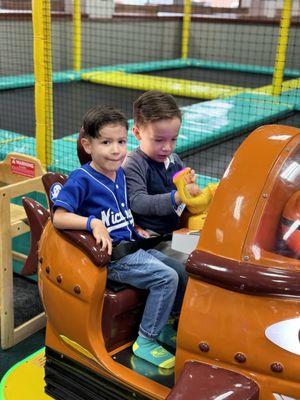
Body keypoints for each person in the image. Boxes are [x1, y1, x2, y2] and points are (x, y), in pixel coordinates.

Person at [52, 105, 187, 369]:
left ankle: (166, 321)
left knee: (180, 269)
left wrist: (133, 227)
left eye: (121, 142)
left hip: (133, 247)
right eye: (106, 142)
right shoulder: (82, 179)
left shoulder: (120, 174)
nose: (116, 150)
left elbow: (121, 210)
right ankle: (145, 340)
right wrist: (93, 223)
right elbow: (58, 216)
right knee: (165, 277)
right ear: (88, 145)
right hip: (113, 257)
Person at [123, 90, 200, 256]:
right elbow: (138, 201)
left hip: (175, 233)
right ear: (137, 133)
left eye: (173, 139)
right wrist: (178, 196)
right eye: (159, 140)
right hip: (149, 239)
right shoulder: (134, 163)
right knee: (190, 263)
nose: (167, 147)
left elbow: (186, 199)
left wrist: (192, 190)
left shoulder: (174, 160)